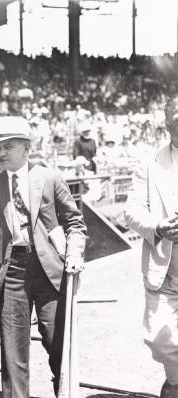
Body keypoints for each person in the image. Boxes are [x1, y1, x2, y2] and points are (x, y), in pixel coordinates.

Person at [0, 116, 86, 397]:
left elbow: (75, 224)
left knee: (57, 342)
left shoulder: (50, 177)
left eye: (7, 147)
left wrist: (74, 253)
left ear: (27, 148)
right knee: (13, 350)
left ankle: (65, 392)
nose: (0, 154)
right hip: (12, 271)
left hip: (50, 270)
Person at [125, 93, 178, 398]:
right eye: (176, 122)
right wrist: (158, 227)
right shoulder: (149, 163)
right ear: (167, 125)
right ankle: (174, 382)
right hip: (165, 269)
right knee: (161, 339)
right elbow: (132, 211)